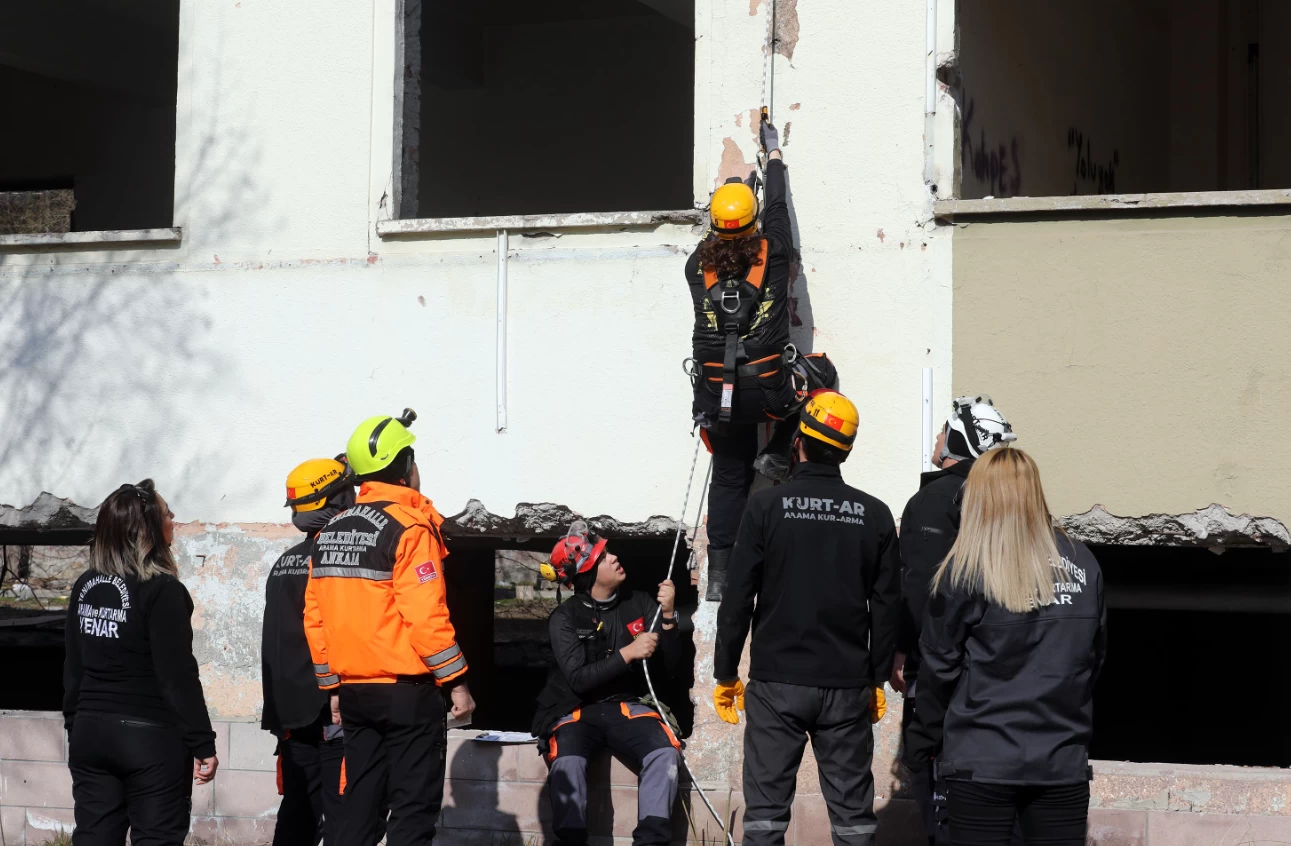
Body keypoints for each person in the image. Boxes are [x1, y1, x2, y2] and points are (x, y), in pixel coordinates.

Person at [712, 391, 901, 846]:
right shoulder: (874, 515)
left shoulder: (764, 508)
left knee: (765, 820)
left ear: (798, 441)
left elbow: (737, 598)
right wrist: (877, 678)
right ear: (847, 450)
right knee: (854, 821)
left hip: (777, 685)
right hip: (847, 687)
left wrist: (724, 673)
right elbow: (888, 604)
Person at [904, 448, 1107, 846]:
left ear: (979, 496)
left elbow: (939, 668)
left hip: (982, 762)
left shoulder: (967, 567)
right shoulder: (1084, 563)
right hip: (1060, 759)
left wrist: (921, 741)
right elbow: (1093, 659)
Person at [304, 409, 475, 846]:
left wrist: (333, 688)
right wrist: (455, 681)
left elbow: (315, 618)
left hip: (356, 694)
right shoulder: (411, 528)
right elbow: (425, 614)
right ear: (404, 466)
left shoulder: (329, 532)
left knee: (356, 809)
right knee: (412, 811)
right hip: (407, 695)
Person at [686, 117, 817, 603]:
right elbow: (779, 208)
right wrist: (775, 157)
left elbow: (726, 265)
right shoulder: (776, 251)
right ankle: (780, 449)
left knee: (728, 473)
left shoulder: (695, 266)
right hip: (771, 394)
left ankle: (719, 576)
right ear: (753, 219)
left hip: (717, 396)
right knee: (821, 376)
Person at [63, 480, 218, 846]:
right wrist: (203, 742)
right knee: (157, 838)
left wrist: (75, 722)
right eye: (167, 512)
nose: (174, 517)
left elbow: (73, 664)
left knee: (94, 838)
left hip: (90, 733)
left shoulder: (85, 585)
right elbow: (177, 675)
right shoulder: (163, 590)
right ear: (148, 528)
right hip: (149, 738)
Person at [891, 395, 1016, 844]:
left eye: (943, 431)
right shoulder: (1007, 503)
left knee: (940, 792)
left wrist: (902, 650)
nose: (937, 438)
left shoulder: (933, 501)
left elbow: (920, 588)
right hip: (1001, 675)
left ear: (958, 440)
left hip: (941, 672)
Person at [531, 521, 683, 846]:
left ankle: (652, 841)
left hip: (627, 706)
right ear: (587, 573)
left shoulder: (639, 602)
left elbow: (671, 669)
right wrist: (627, 653)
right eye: (603, 557)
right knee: (567, 758)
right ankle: (571, 841)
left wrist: (668, 617)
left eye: (609, 552)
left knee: (665, 754)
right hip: (576, 710)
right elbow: (578, 680)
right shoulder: (565, 618)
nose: (613, 558)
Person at [262, 457, 356, 845]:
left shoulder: (284, 562)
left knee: (298, 811)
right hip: (330, 709)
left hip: (292, 713)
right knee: (344, 815)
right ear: (337, 502)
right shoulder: (336, 560)